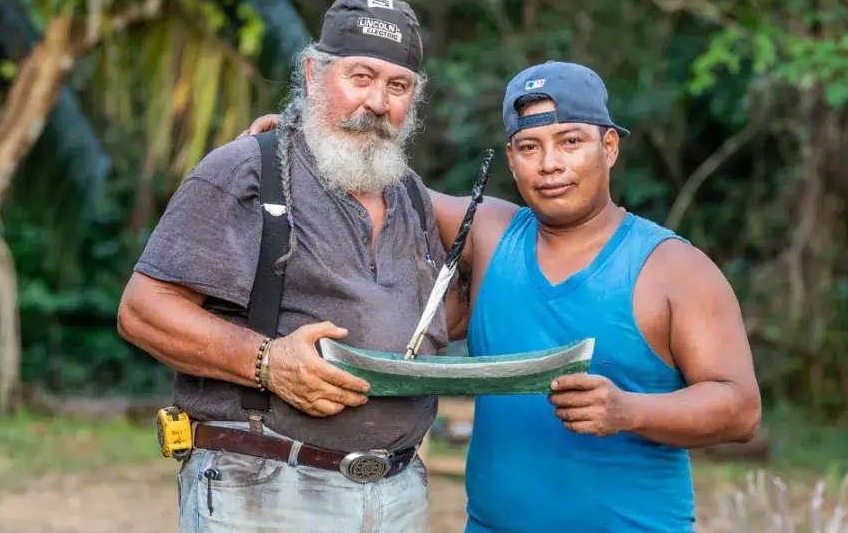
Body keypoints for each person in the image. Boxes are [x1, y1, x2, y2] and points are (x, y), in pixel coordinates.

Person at [248, 60, 762, 532]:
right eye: (530, 147)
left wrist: (630, 412)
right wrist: (301, 142)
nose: (550, 165)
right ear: (512, 160)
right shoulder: (492, 234)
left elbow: (740, 409)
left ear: (608, 147)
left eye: (571, 141)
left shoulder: (674, 269)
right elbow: (367, 182)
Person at [117, 0, 454, 533]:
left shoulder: (411, 194)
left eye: (398, 86)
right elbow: (142, 310)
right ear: (314, 73)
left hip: (397, 494)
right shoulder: (246, 169)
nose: (376, 102)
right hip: (264, 489)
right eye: (360, 77)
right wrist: (268, 362)